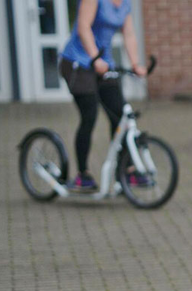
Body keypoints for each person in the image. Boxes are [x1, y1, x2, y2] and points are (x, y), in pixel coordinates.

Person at [59, 0, 146, 192]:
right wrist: (94, 57)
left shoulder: (124, 4)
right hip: (78, 63)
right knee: (89, 115)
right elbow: (83, 26)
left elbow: (129, 34)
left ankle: (125, 171)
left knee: (119, 114)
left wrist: (135, 63)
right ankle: (83, 175)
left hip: (103, 63)